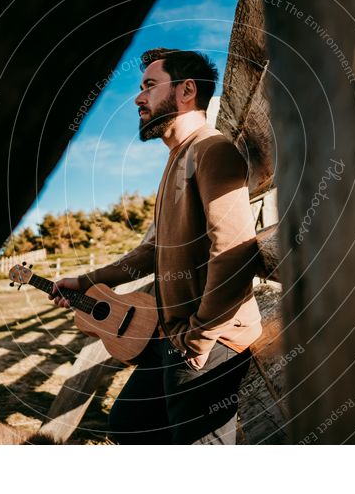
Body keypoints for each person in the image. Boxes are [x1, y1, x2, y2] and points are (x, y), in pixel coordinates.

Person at [49, 48, 262, 444]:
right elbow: (153, 251)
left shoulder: (211, 150)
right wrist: (86, 280)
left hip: (210, 342)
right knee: (128, 424)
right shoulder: (177, 159)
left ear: (186, 91)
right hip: (174, 337)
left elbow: (235, 253)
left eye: (149, 86)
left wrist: (200, 338)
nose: (138, 98)